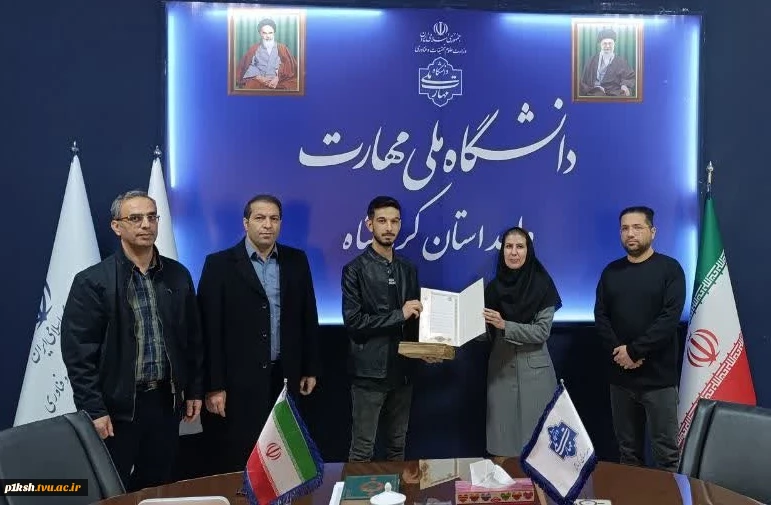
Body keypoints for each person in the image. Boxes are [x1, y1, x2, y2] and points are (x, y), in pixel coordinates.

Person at [61, 190, 203, 491]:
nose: (146, 225)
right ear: (117, 226)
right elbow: (78, 355)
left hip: (165, 403)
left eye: (152, 217)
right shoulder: (92, 281)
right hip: (117, 409)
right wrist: (95, 410)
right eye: (135, 218)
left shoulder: (178, 275)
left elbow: (192, 339)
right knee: (112, 489)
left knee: (157, 485)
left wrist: (193, 389)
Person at [197, 194, 320, 474]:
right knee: (240, 458)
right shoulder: (219, 265)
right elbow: (209, 330)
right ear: (246, 223)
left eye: (274, 219)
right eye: (260, 218)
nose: (267, 225)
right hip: (237, 383)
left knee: (284, 459)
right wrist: (214, 385)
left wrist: (310, 367)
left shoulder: (296, 261)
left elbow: (308, 316)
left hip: (285, 376)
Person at [594, 206, 685, 472]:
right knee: (628, 455)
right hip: (621, 379)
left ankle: (669, 495)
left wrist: (634, 351)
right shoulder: (611, 272)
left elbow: (669, 319)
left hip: (659, 380)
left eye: (637, 227)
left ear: (652, 231)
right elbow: (601, 317)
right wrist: (620, 353)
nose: (630, 234)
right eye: (625, 228)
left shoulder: (670, 269)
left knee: (667, 455)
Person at [342, 196, 429, 462]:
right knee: (362, 450)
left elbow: (414, 320)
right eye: (382, 221)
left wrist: (428, 349)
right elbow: (354, 323)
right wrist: (399, 314)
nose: (389, 227)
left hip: (403, 373)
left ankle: (396, 490)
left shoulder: (408, 269)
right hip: (369, 375)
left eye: (395, 221)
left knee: (397, 448)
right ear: (369, 224)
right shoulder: (354, 270)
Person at [482, 226, 562, 461]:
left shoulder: (543, 285)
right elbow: (485, 334)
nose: (514, 252)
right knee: (501, 444)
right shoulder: (493, 288)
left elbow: (541, 332)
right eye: (508, 247)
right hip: (501, 372)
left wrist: (504, 325)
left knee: (540, 449)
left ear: (529, 250)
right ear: (502, 251)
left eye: (520, 246)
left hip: (536, 374)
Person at [236, 18, 298, 90]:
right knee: (251, 87)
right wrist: (259, 78)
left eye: (270, 33)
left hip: (280, 80)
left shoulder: (282, 48)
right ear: (260, 33)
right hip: (259, 81)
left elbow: (289, 68)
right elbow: (247, 66)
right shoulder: (254, 49)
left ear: (274, 33)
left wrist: (277, 78)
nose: (268, 36)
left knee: (293, 85)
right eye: (264, 33)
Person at [579, 28, 636, 97]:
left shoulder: (621, 62)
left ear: (614, 44)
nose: (607, 46)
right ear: (600, 44)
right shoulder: (591, 61)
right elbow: (583, 82)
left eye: (610, 43)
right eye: (604, 44)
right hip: (594, 92)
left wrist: (624, 85)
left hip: (614, 93)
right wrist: (596, 88)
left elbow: (630, 77)